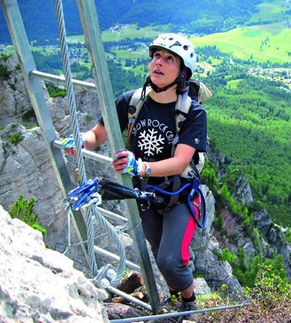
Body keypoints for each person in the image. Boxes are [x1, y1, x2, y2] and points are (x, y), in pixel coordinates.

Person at [64, 33, 207, 320]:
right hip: (144, 195)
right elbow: (97, 135)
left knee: (171, 259)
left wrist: (139, 167)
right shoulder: (130, 102)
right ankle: (177, 298)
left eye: (169, 59)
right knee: (157, 252)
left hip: (180, 196)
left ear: (182, 73)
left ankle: (190, 303)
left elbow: (180, 162)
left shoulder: (192, 113)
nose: (159, 62)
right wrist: (82, 141)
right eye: (156, 55)